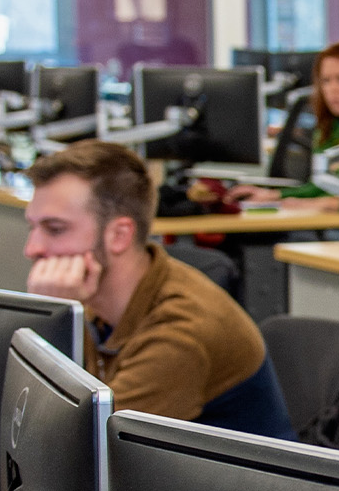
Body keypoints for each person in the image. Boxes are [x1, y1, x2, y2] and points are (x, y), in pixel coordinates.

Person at [24, 140, 295, 439]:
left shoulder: (182, 329)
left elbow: (75, 445)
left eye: (56, 229)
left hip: (225, 486)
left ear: (119, 235)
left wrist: (54, 321)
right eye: (32, 228)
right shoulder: (95, 302)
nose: (32, 248)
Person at [228, 40, 339, 235]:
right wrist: (274, 195)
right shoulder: (330, 124)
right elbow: (320, 185)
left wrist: (325, 204)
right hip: (337, 224)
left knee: (296, 239)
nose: (332, 89)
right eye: (326, 80)